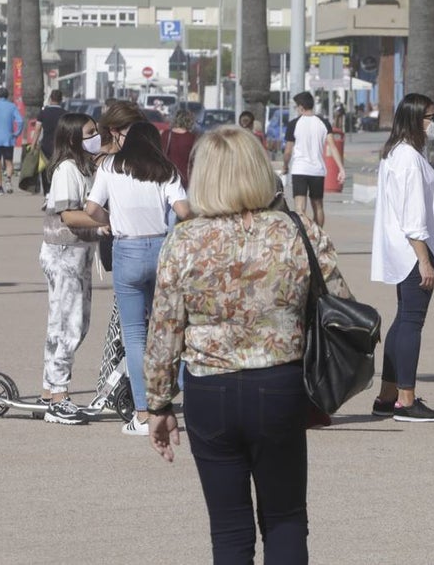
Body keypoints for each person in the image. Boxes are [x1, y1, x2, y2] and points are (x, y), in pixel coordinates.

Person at [146, 126, 352, 562]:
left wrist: (158, 404)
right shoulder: (297, 230)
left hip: (209, 387)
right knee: (286, 517)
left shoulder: (184, 239)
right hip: (280, 383)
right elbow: (342, 303)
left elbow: (164, 328)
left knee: (229, 530)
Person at [84, 121, 190, 436]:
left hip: (127, 250)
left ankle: (143, 414)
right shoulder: (166, 170)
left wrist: (111, 219)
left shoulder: (110, 167)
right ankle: (186, 388)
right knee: (168, 328)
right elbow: (183, 210)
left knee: (134, 335)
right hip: (160, 250)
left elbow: (91, 208)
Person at [370, 94, 434, 422]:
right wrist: (424, 260)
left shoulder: (400, 153)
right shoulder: (407, 157)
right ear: (414, 119)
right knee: (412, 321)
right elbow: (412, 215)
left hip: (407, 250)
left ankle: (388, 395)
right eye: (429, 117)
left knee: (403, 319)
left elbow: (418, 197)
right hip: (414, 252)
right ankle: (406, 400)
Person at [32, 113, 105, 425]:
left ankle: (49, 391)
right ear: (74, 137)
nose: (96, 136)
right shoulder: (66, 169)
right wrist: (107, 221)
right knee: (69, 325)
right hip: (64, 253)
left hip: (79, 253)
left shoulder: (85, 166)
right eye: (90, 133)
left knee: (69, 324)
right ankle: (59, 397)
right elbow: (70, 216)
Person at [282, 91, 345, 227]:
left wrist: (285, 165)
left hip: (299, 170)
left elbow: (288, 151)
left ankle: (304, 235)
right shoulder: (323, 123)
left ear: (301, 107)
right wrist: (341, 169)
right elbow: (333, 147)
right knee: (318, 206)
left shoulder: (294, 124)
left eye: (296, 107)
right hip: (317, 170)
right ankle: (319, 235)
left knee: (300, 208)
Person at [27, 89, 66, 194]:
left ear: (50, 99)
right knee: (58, 168)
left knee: (45, 169)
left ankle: (47, 193)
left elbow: (37, 130)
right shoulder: (65, 114)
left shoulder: (43, 113)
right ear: (61, 100)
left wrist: (33, 145)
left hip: (46, 146)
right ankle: (56, 191)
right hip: (60, 147)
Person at [161, 108, 198, 188]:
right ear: (189, 121)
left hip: (168, 176)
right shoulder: (192, 138)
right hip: (185, 178)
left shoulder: (166, 134)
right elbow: (194, 159)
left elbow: (160, 154)